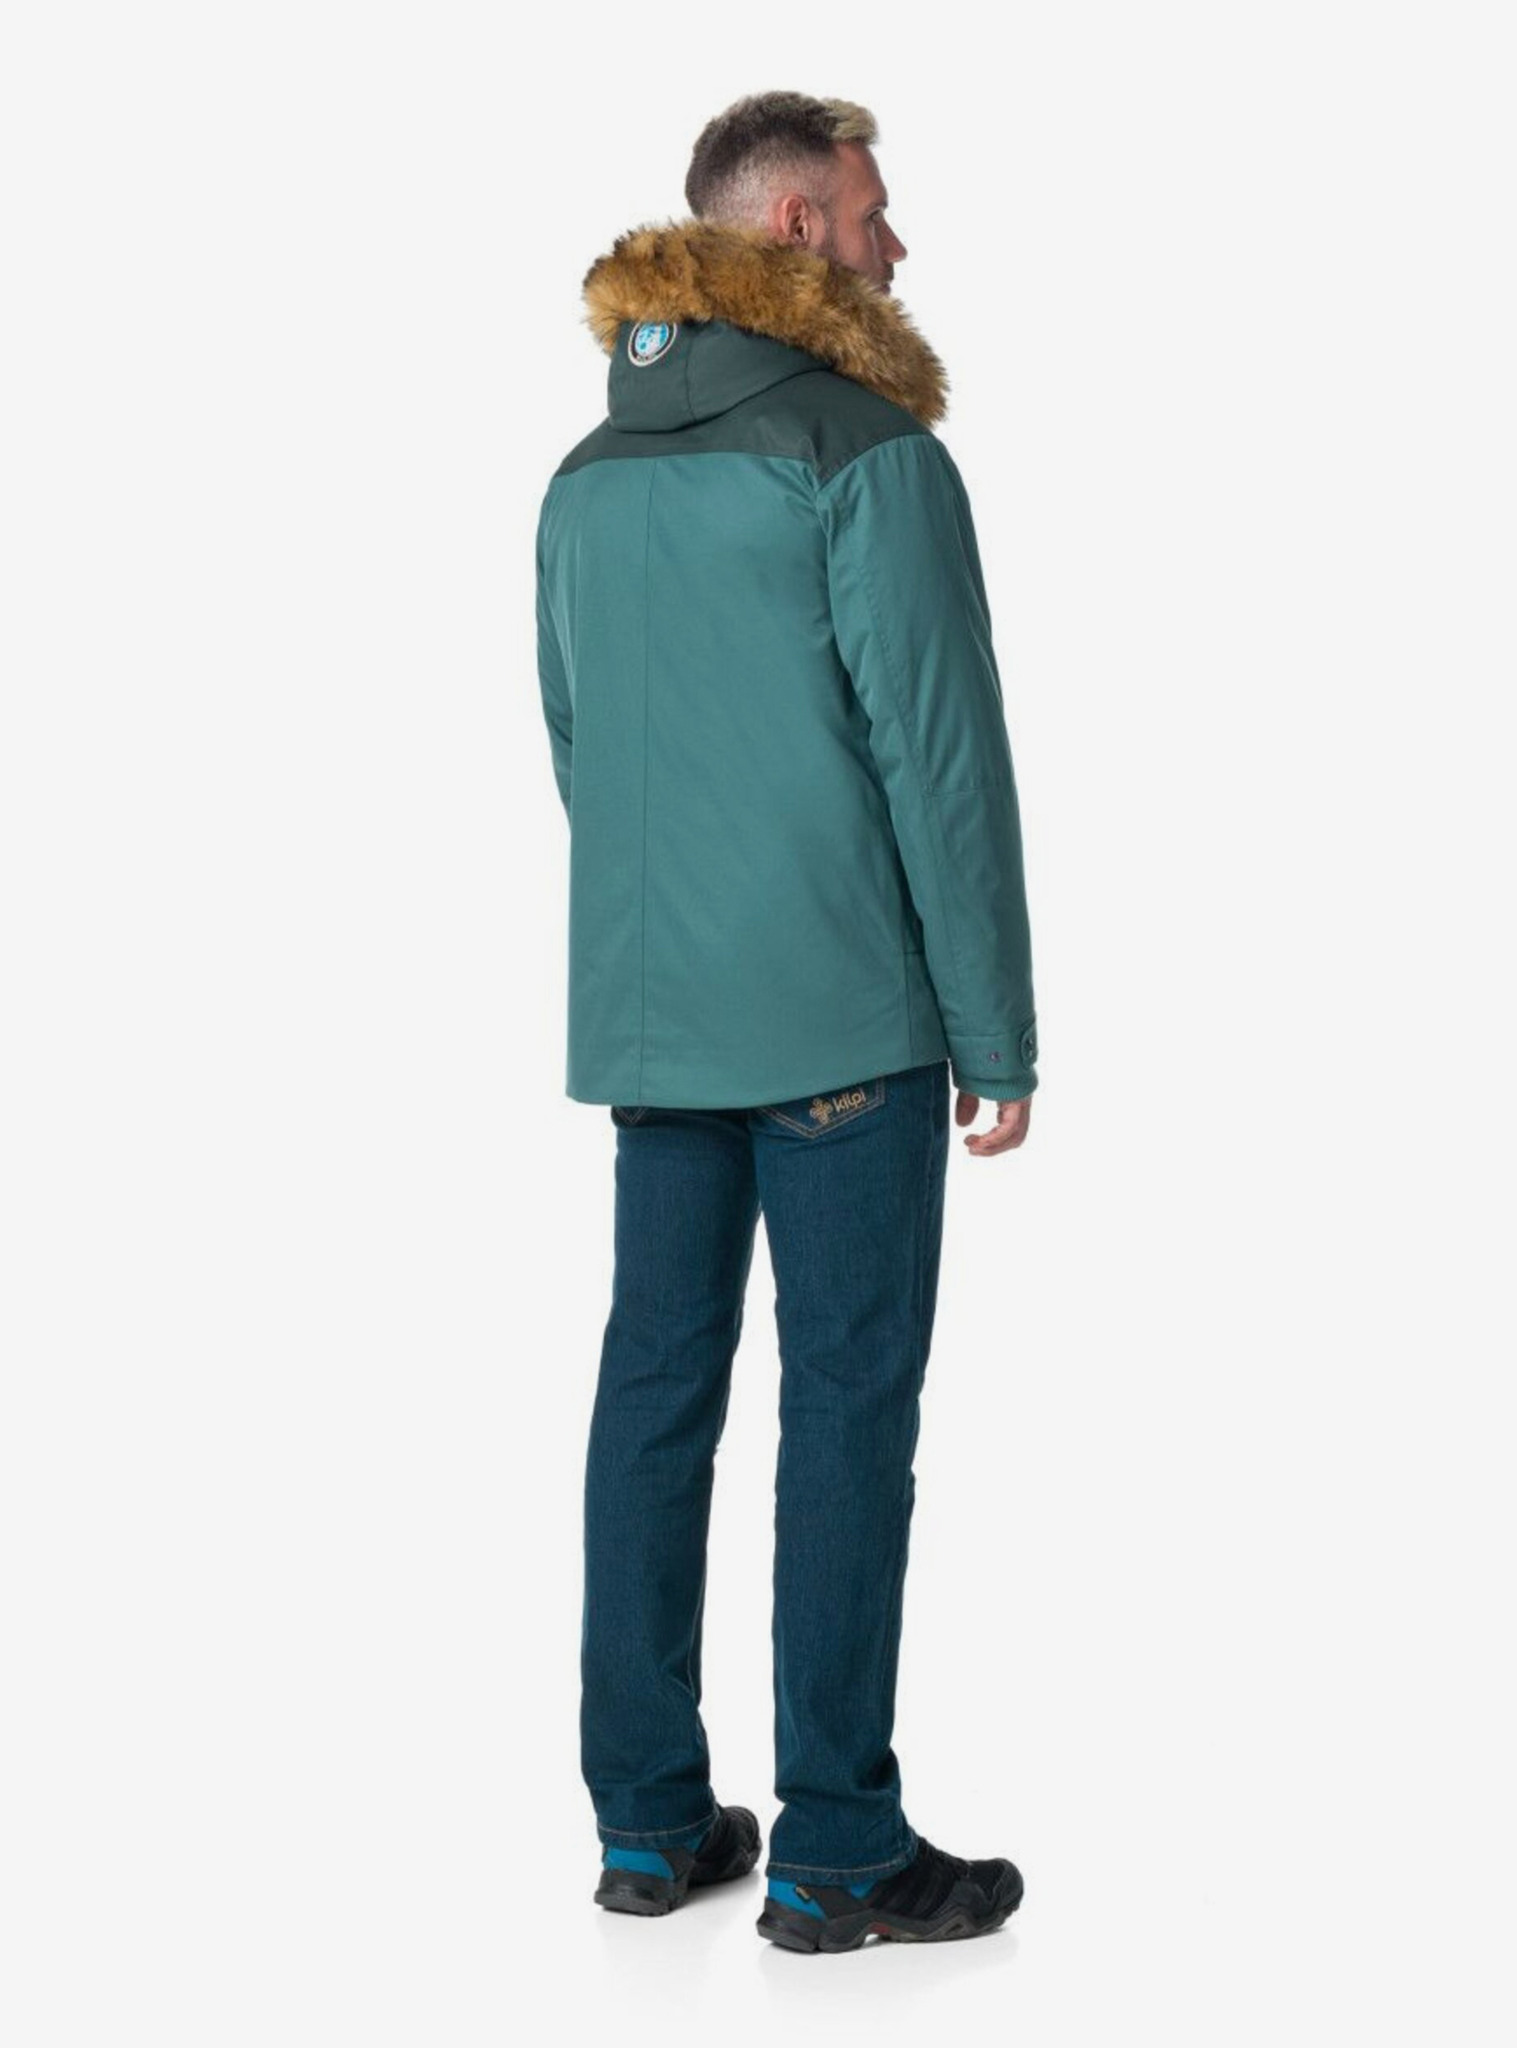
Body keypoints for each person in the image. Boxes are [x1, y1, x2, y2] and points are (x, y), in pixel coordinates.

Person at [534, 91, 1038, 1953]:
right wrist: (995, 1030)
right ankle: (836, 1849)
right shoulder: (863, 450)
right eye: (873, 211)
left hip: (654, 1028)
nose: (898, 243)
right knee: (843, 1414)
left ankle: (649, 1826)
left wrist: (675, 954)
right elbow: (942, 763)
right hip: (841, 1027)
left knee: (653, 1397)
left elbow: (581, 750)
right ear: (799, 229)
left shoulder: (585, 477)